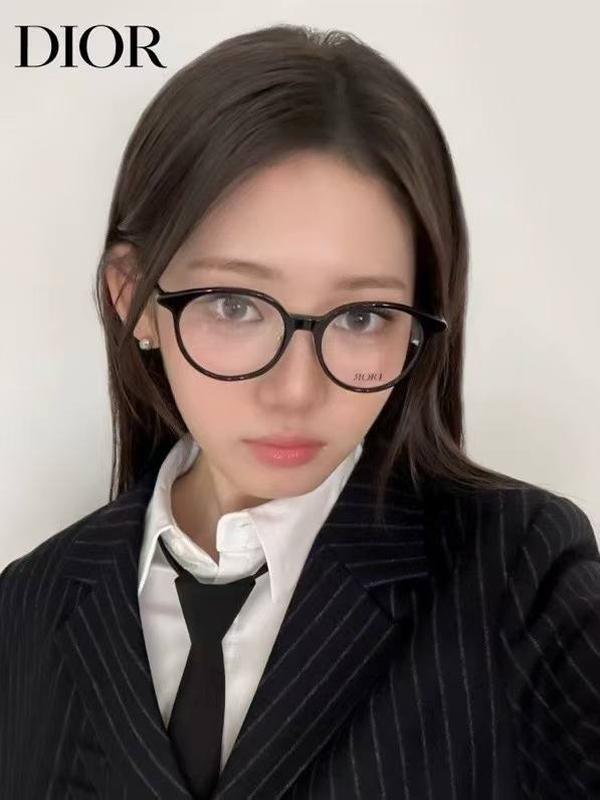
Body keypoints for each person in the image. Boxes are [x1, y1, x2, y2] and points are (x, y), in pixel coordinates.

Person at [1, 23, 598, 800]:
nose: (296, 390)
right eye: (234, 305)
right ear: (134, 299)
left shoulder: (520, 573)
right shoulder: (28, 608)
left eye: (362, 316)